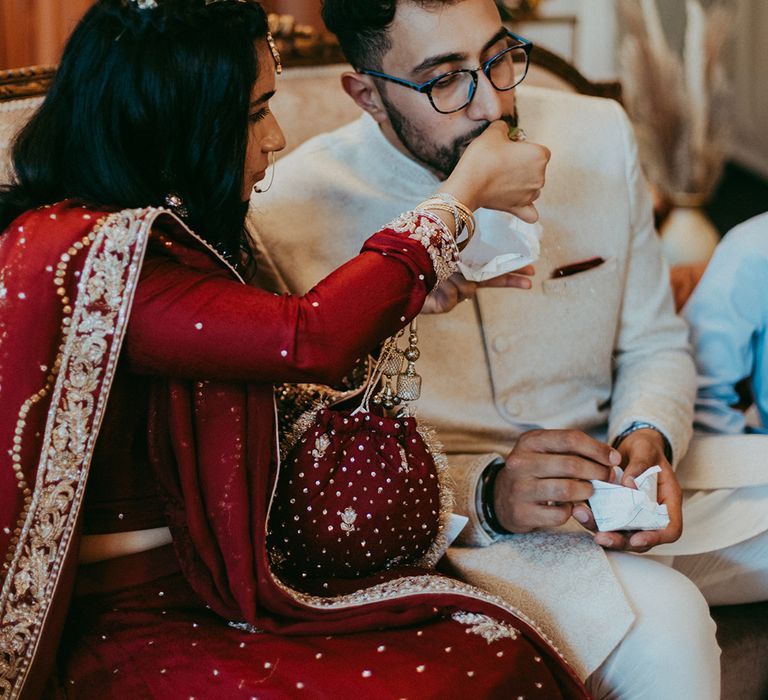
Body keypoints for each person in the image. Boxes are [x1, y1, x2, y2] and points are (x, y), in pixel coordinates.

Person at [0, 1, 589, 698]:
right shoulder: (91, 261)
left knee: (493, 652)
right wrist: (459, 202)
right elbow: (308, 340)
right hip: (127, 619)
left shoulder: (172, 237)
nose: (275, 138)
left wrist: (409, 299)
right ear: (179, 126)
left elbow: (269, 379)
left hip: (217, 584)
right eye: (253, 115)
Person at [246, 0, 768, 696]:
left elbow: (654, 342)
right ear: (367, 93)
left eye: (497, 57)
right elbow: (313, 461)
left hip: (617, 479)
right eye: (445, 80)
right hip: (476, 535)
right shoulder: (289, 212)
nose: (492, 103)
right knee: (669, 631)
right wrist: (488, 494)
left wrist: (649, 436)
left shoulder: (598, 133)